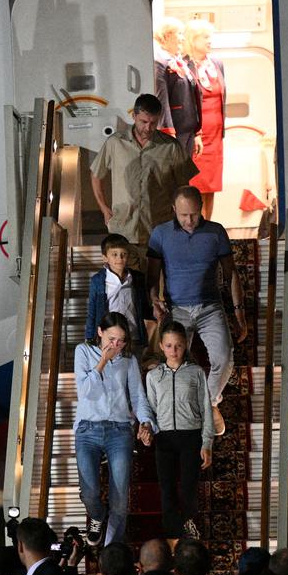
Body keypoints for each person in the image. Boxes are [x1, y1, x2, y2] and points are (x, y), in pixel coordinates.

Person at [148, 185, 246, 438]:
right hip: (177, 307)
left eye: (194, 214)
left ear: (201, 209)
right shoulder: (160, 234)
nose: (189, 220)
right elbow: (152, 275)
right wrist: (154, 301)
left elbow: (231, 272)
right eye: (183, 215)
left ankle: (210, 403)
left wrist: (238, 313)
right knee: (174, 362)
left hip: (210, 305)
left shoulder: (215, 232)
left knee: (225, 358)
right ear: (173, 211)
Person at [74, 312, 157, 547]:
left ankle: (113, 548)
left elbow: (138, 396)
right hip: (88, 429)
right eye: (111, 339)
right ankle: (98, 516)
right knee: (89, 493)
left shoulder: (129, 360)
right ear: (100, 332)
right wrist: (102, 361)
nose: (116, 345)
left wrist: (145, 422)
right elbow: (85, 392)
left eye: (121, 341)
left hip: (119, 430)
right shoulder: (83, 352)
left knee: (120, 498)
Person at [91, 92, 197, 255]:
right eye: (143, 122)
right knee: (127, 279)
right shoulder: (115, 143)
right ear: (134, 116)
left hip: (160, 227)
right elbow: (96, 174)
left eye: (153, 123)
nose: (148, 128)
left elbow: (184, 187)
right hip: (123, 228)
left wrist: (182, 218)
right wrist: (104, 208)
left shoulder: (171, 146)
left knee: (159, 278)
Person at [145, 321, 213, 540]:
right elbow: (151, 410)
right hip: (164, 438)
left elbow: (206, 409)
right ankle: (173, 534)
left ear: (186, 346)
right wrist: (146, 428)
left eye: (178, 346)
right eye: (169, 346)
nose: (174, 351)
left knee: (188, 487)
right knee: (167, 488)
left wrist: (206, 443)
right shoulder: (153, 377)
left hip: (190, 436)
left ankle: (189, 522)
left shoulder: (196, 373)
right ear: (162, 346)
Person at [183, 20, 226, 219]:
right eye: (205, 37)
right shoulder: (184, 64)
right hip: (197, 133)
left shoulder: (216, 63)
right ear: (193, 40)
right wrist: (194, 132)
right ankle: (195, 222)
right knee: (196, 183)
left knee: (212, 184)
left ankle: (209, 221)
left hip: (215, 134)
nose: (210, 41)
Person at [85, 233, 155, 347]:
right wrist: (89, 338)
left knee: (133, 364)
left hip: (133, 336)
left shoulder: (137, 278)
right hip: (109, 338)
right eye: (114, 254)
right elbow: (92, 311)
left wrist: (156, 312)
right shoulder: (97, 281)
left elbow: (144, 307)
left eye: (124, 254)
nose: (120, 258)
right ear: (105, 257)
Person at [153, 16, 201, 159]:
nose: (182, 39)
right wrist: (168, 133)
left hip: (188, 130)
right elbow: (161, 100)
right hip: (175, 131)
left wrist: (197, 133)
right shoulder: (160, 63)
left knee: (184, 176)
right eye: (179, 34)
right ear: (167, 36)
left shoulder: (180, 62)